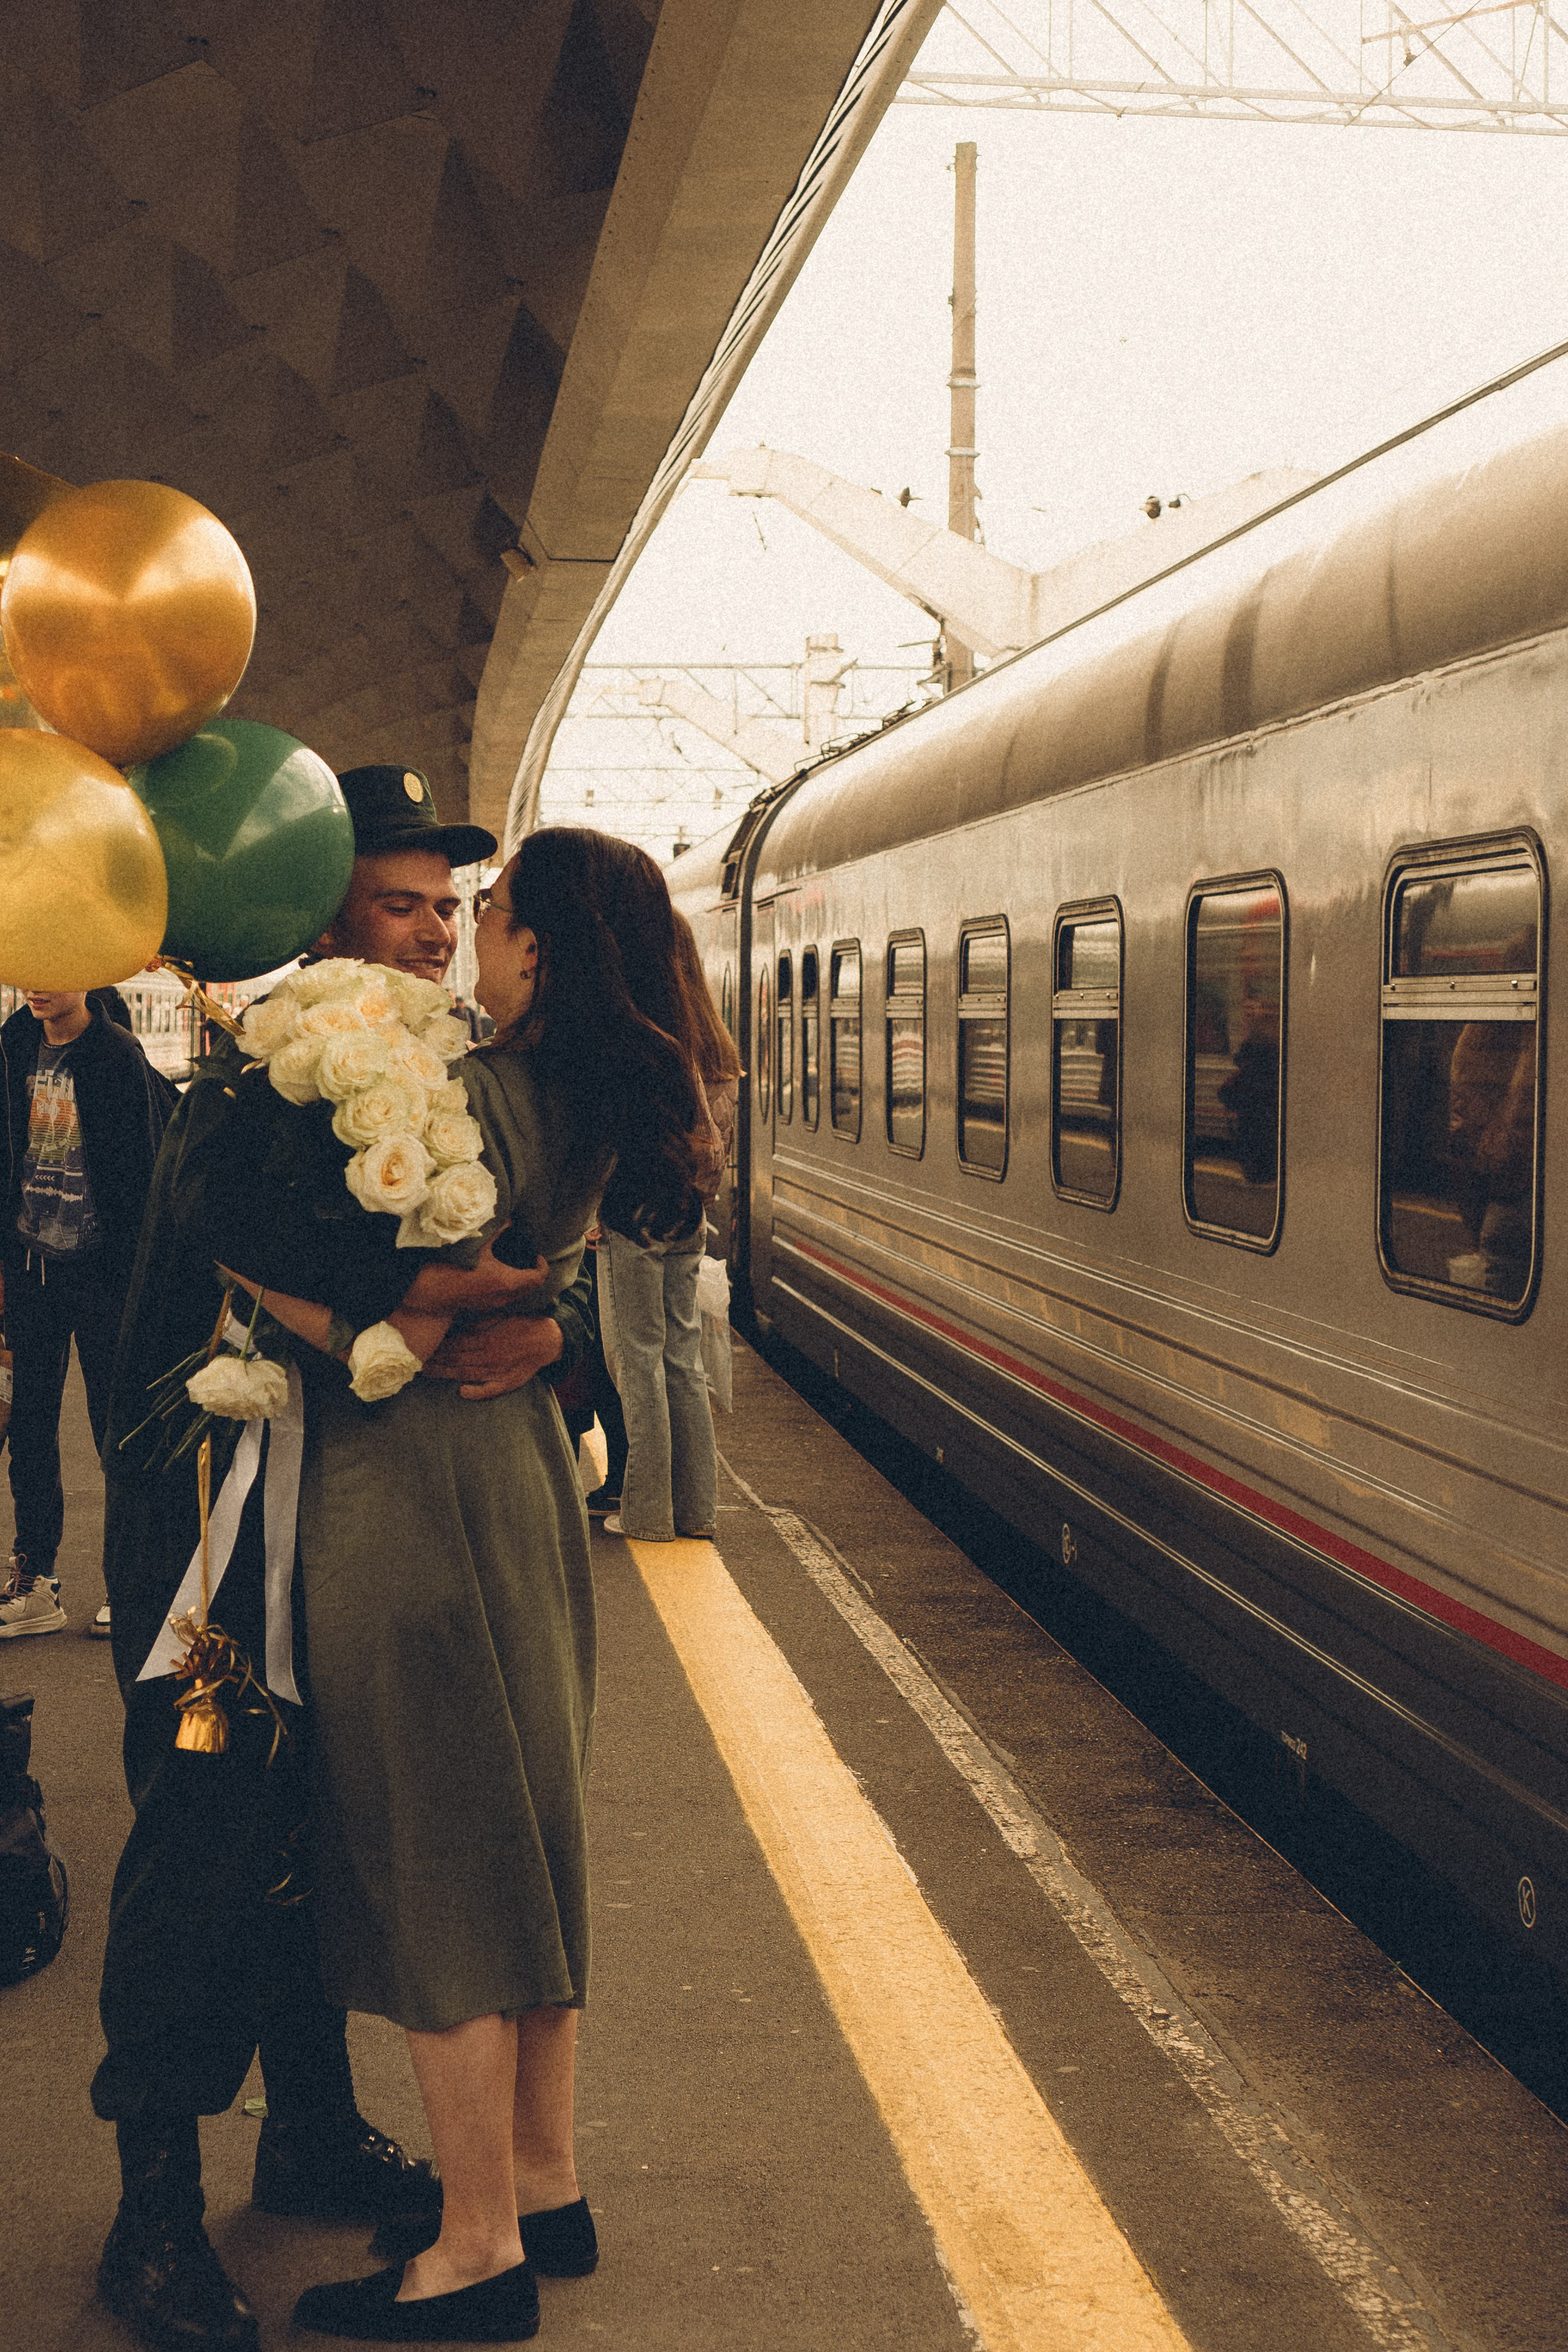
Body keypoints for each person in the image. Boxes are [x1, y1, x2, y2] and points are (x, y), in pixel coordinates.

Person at [92, 767, 594, 2352]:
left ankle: (307, 2126)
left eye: (454, 909)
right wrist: (424, 1318)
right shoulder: (250, 1087)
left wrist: (548, 1319)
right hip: (213, 1534)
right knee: (203, 1839)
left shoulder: (421, 1079)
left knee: (327, 1831)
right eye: (402, 904)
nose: (439, 937)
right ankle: (154, 2209)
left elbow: (502, 1246)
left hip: (348, 1530)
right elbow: (262, 1291)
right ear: (321, 915)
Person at [215, 829, 707, 2343]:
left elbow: (292, 1246)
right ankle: (543, 2181)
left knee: (435, 1852)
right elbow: (534, 1280)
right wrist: (544, 1315)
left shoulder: (453, 1100)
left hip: (412, 1484)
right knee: (527, 1833)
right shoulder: (593, 1093)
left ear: (541, 947)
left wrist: (264, 1278)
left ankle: (474, 2249)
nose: (465, 938)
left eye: (485, 914)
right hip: (520, 1488)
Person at [0, 986, 175, 1642]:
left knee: (117, 1431)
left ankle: (132, 1585)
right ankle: (36, 1580)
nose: (41, 985)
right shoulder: (12, 1046)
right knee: (31, 1429)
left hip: (105, 1276)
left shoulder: (117, 1055)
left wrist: (144, 1278)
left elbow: (146, 1175)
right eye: (31, 972)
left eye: (58, 969)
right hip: (31, 1270)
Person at [600, 910, 739, 1544]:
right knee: (683, 1361)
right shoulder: (714, 1041)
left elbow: (617, 1136)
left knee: (639, 1361)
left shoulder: (643, 1038)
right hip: (691, 1215)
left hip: (634, 1214)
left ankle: (649, 1513)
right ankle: (697, 1511)